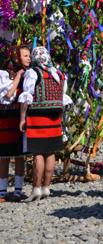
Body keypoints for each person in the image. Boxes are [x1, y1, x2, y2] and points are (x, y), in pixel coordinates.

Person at [18, 46, 72, 202]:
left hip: (37, 117)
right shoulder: (59, 74)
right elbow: (62, 101)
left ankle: (36, 189)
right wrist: (60, 118)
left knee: (38, 152)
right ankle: (46, 187)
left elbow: (27, 97)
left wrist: (22, 118)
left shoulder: (33, 73)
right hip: (54, 118)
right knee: (50, 152)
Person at [0, 45, 31, 202]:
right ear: (15, 57)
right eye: (24, 55)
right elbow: (8, 94)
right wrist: (18, 76)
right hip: (5, 117)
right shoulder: (4, 74)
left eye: (29, 55)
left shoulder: (31, 74)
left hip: (20, 118)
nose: (28, 58)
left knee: (20, 156)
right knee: (3, 156)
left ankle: (18, 190)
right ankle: (2, 191)